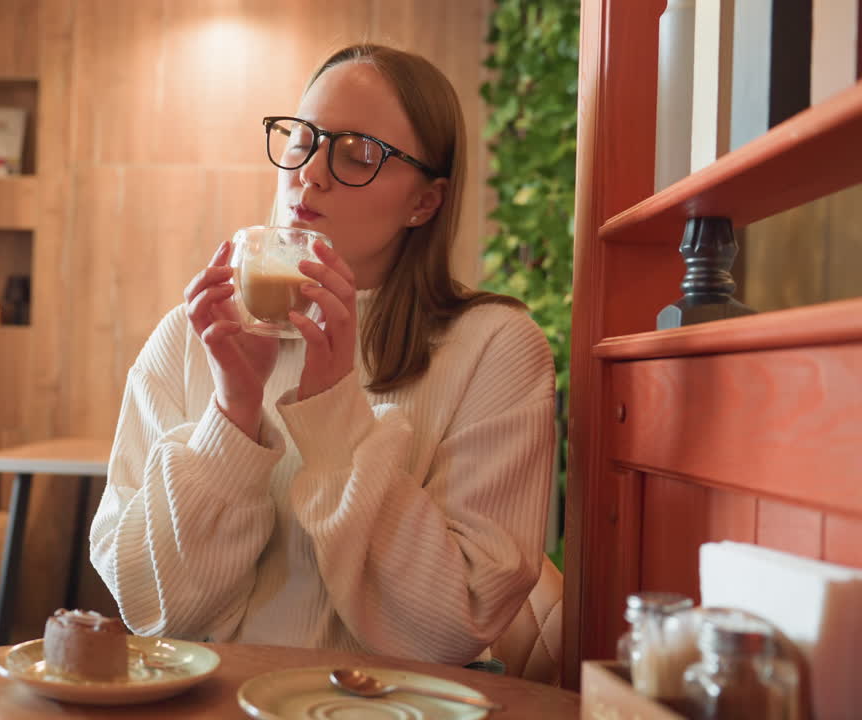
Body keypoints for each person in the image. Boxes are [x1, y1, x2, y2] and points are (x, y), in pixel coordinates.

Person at [89, 43, 556, 666]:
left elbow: (454, 623)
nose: (311, 172)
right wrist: (232, 409)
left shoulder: (494, 346)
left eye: (358, 154)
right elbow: (151, 608)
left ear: (425, 202)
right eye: (302, 139)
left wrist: (336, 410)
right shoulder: (189, 337)